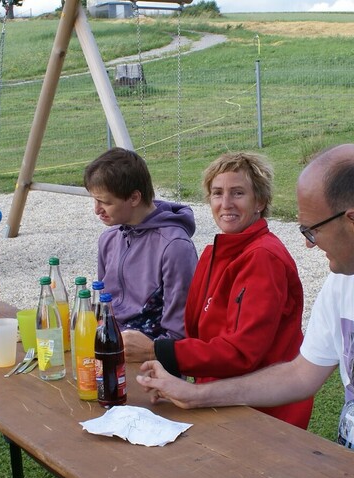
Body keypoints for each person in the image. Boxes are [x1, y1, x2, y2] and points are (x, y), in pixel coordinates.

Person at [136, 144, 354, 444]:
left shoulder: (264, 257)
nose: (309, 244)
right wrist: (193, 391)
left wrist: (156, 351)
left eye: (237, 193)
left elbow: (242, 352)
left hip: (261, 418)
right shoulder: (339, 282)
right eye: (217, 193)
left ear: (259, 201)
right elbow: (301, 374)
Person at [84, 147, 197, 346]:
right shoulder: (109, 238)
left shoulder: (174, 247)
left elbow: (180, 330)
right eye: (95, 200)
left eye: (105, 202)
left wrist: (156, 352)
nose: (96, 210)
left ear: (134, 198)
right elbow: (103, 301)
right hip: (108, 340)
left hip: (150, 356)